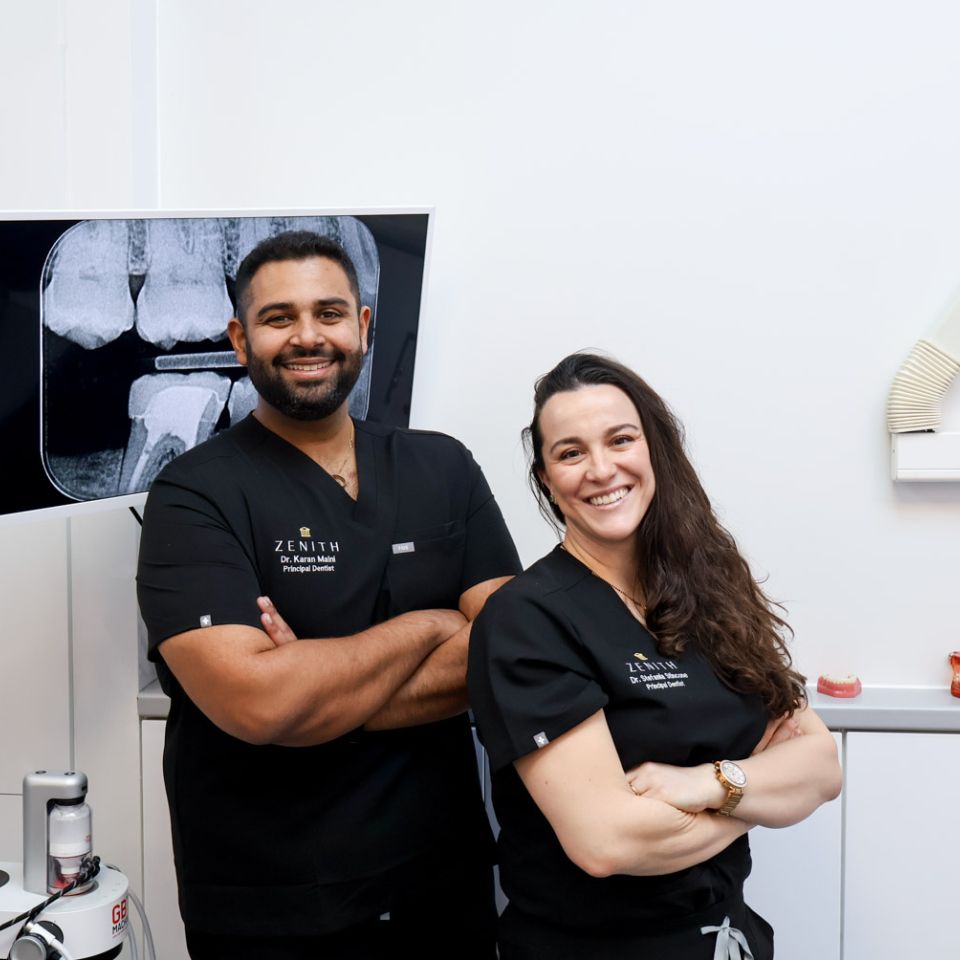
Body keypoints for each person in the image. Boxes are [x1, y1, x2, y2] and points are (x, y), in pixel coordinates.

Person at [136, 231, 521, 960]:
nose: (307, 336)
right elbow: (257, 702)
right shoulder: (193, 494)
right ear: (239, 338)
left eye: (329, 313)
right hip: (270, 903)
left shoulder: (441, 466)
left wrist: (312, 687)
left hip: (440, 887)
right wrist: (431, 626)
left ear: (364, 327)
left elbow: (512, 651)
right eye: (279, 317)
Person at [467, 352, 842, 959]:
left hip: (728, 937)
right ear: (546, 480)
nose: (601, 468)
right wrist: (755, 797)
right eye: (570, 452)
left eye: (621, 439)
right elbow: (607, 842)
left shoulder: (711, 586)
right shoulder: (527, 619)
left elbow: (822, 765)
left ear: (654, 450)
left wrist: (704, 783)